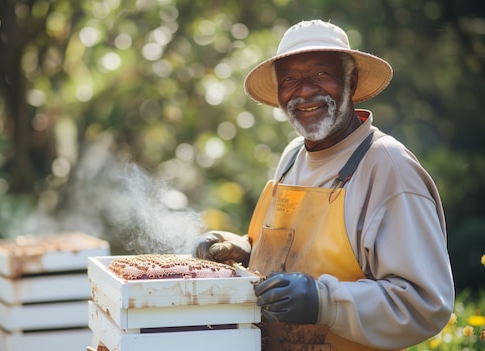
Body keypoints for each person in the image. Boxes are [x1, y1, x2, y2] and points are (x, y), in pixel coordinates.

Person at [193, 19, 454, 351]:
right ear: (278, 92)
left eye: (320, 74)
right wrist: (245, 250)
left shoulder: (387, 167)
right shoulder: (291, 157)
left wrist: (326, 303)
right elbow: (296, 256)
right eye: (290, 79)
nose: (304, 90)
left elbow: (425, 305)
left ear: (351, 81)